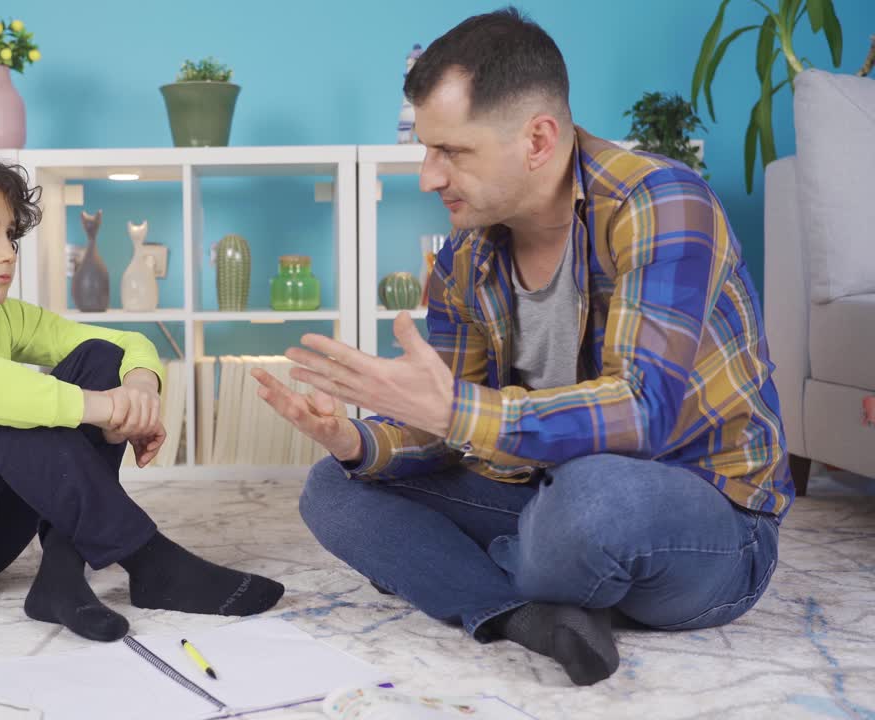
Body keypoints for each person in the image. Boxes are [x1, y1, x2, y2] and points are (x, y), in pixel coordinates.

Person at [253, 6, 789, 686]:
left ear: (537, 139)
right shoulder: (464, 257)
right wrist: (356, 440)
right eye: (426, 149)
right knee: (334, 489)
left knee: (589, 502)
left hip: (699, 510)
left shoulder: (660, 202)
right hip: (541, 493)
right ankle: (526, 612)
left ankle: (489, 567)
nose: (428, 177)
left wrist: (453, 413)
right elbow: (446, 432)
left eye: (452, 151)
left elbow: (642, 412)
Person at [0, 145, 284, 642]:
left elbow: (125, 344)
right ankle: (150, 560)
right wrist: (104, 409)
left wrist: (139, 390)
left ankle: (61, 574)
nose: (7, 252)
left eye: (11, 235)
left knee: (99, 358)